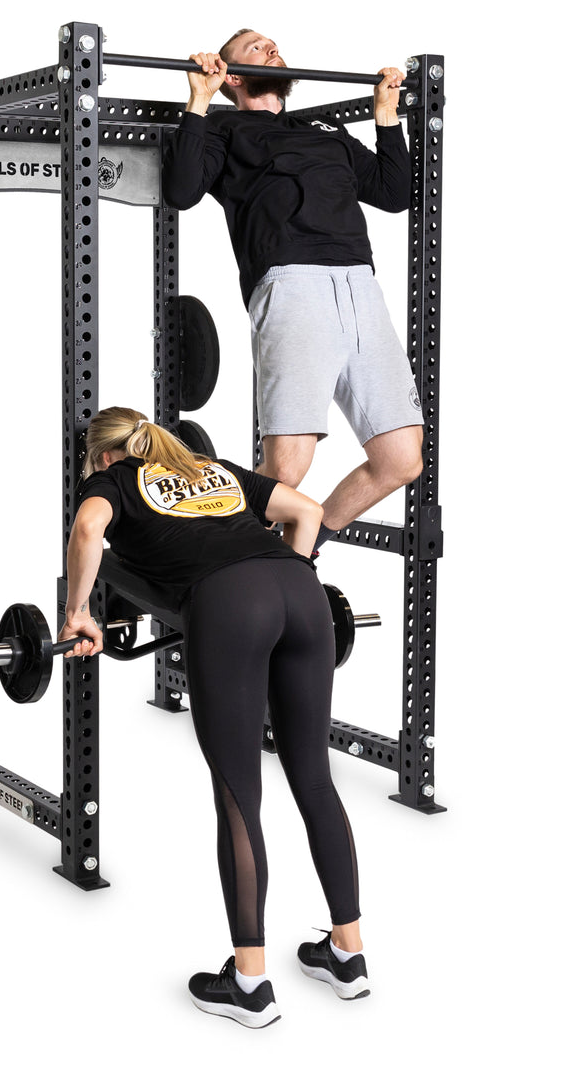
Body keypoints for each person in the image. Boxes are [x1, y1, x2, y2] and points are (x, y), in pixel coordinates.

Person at [60, 406, 370, 1028]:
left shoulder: (114, 482)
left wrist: (77, 612)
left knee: (238, 796)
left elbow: (89, 531)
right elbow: (308, 513)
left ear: (103, 457)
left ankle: (250, 985)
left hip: (230, 605)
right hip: (302, 594)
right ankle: (347, 956)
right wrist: (288, 581)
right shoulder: (213, 469)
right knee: (313, 778)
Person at [161, 30, 424, 552]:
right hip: (292, 284)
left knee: (402, 460)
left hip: (361, 286)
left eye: (273, 44)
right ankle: (204, 560)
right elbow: (181, 191)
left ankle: (294, 552)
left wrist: (386, 113)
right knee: (287, 468)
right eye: (256, 47)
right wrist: (199, 98)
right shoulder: (223, 127)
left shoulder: (321, 128)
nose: (271, 48)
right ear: (232, 74)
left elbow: (395, 195)